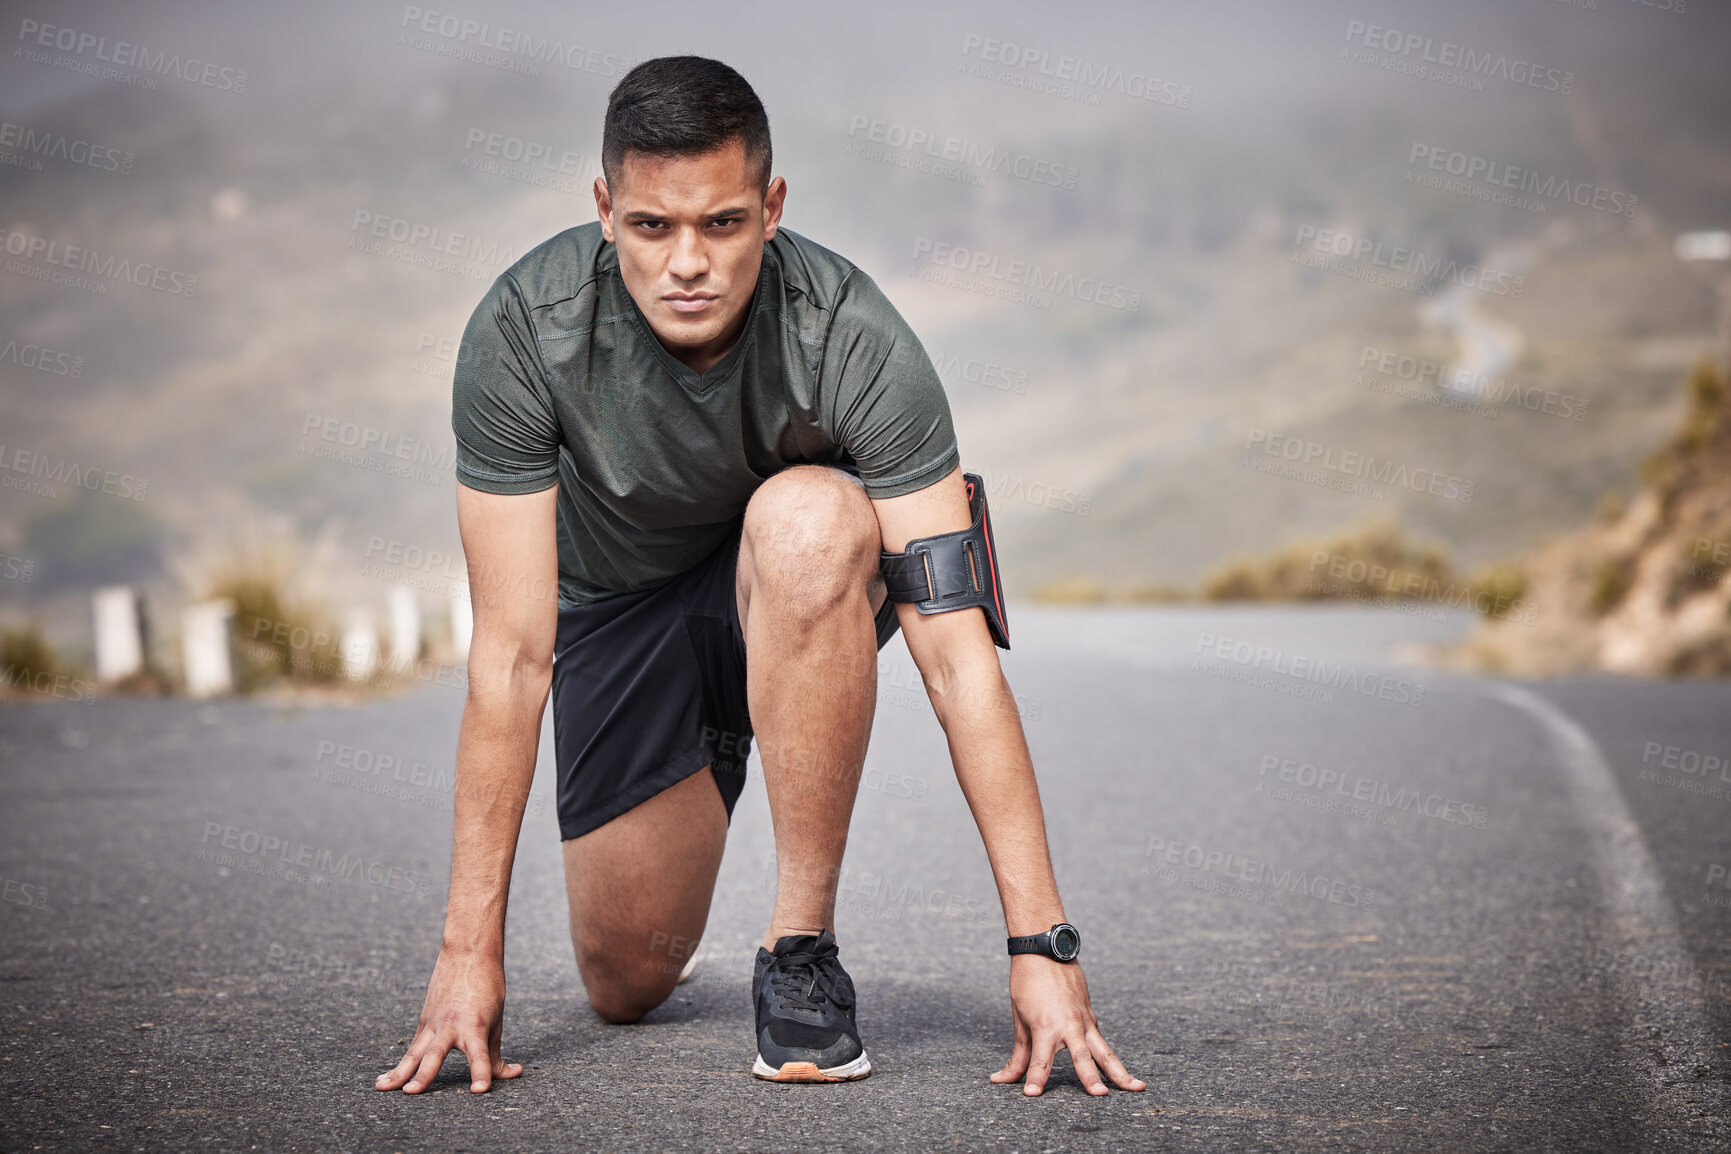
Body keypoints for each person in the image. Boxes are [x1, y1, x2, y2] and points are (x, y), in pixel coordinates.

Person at [375, 54, 1143, 1098]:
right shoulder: (522, 332)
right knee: (624, 978)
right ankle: (728, 733)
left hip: (788, 587)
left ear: (771, 207)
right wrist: (468, 953)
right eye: (653, 226)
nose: (687, 260)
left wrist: (1042, 945)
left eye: (723, 224)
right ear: (605, 209)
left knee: (810, 516)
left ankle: (800, 947)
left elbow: (960, 660)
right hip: (617, 613)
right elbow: (511, 656)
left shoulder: (854, 336)